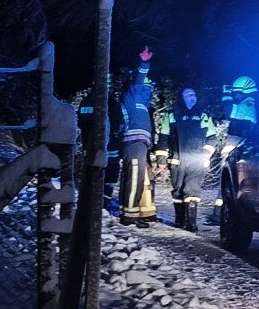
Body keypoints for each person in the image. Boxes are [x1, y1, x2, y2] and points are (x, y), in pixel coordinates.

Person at [154, 86, 217, 232]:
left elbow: (212, 138)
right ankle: (180, 220)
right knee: (178, 190)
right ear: (182, 98)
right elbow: (163, 137)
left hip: (197, 160)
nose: (192, 97)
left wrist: (206, 153)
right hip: (177, 160)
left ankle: (191, 223)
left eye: (193, 94)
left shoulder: (204, 116)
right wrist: (161, 158)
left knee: (192, 190)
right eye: (188, 95)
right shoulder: (171, 116)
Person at [210, 75, 259, 224]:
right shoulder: (247, 103)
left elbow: (228, 111)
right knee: (227, 183)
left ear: (246, 92)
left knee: (229, 182)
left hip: (237, 147)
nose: (235, 96)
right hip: (237, 147)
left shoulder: (247, 104)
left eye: (237, 93)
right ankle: (219, 214)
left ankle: (220, 215)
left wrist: (226, 95)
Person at [119, 46, 157, 227]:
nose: (148, 92)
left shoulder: (144, 105)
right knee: (134, 178)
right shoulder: (132, 96)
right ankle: (130, 216)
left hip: (140, 144)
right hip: (133, 143)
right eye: (146, 88)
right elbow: (137, 81)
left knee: (138, 178)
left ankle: (134, 212)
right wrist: (144, 64)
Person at [76, 81, 124, 211]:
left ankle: (95, 198)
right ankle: (104, 199)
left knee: (96, 170)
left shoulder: (87, 101)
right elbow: (120, 123)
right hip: (108, 144)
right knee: (110, 170)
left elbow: (81, 123)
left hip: (91, 144)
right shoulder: (111, 101)